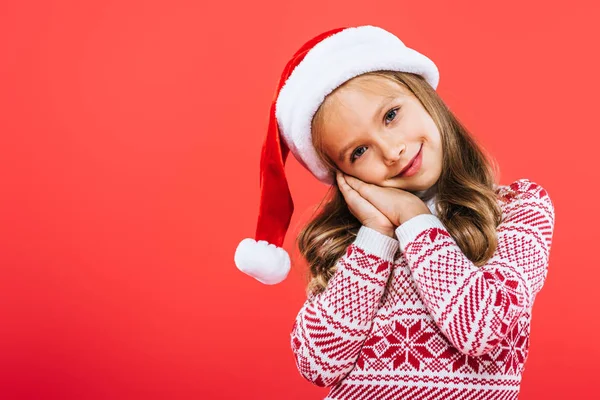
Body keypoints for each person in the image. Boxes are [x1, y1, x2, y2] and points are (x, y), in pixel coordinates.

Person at [234, 25, 555, 399]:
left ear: (426, 98)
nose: (391, 151)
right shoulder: (356, 244)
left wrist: (414, 218)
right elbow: (319, 364)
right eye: (358, 152)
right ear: (344, 177)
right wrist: (376, 234)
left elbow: (486, 330)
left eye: (390, 115)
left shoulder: (518, 207)